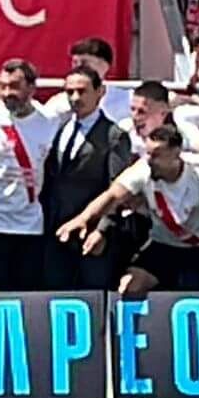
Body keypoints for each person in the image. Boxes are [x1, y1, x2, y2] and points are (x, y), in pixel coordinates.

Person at [55, 123, 199, 298]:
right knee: (129, 287)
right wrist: (83, 218)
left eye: (156, 155)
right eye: (148, 153)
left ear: (176, 153)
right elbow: (113, 195)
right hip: (163, 244)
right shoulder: (143, 168)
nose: (149, 160)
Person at [0, 59, 60, 290]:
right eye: (2, 86)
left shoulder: (49, 121)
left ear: (32, 88)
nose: (7, 93)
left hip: (30, 225)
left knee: (26, 294)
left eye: (14, 86)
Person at [37, 65, 131, 290]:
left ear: (100, 92)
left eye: (82, 91)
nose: (75, 98)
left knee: (92, 294)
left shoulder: (114, 135)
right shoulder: (60, 128)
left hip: (91, 233)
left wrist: (103, 229)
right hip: (56, 230)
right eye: (69, 92)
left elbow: (116, 189)